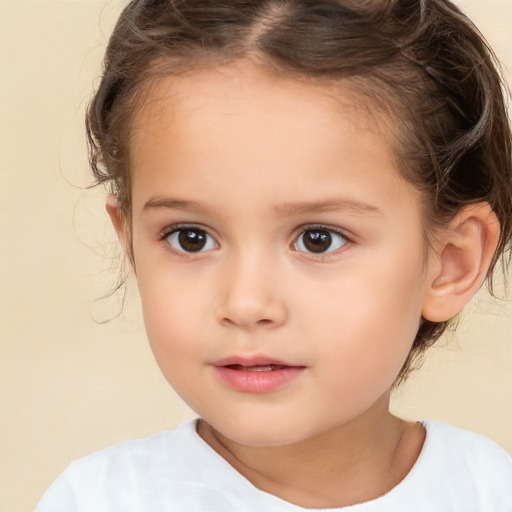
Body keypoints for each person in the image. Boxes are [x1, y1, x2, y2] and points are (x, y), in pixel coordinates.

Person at [36, 0, 512, 510]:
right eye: (190, 237)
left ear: (450, 262)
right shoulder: (100, 500)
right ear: (129, 242)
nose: (245, 303)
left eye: (318, 239)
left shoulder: (489, 491)